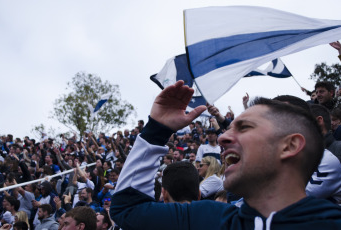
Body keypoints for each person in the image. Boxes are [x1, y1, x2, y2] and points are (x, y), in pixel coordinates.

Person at [110, 81, 341, 229]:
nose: (223, 138)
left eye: (245, 128)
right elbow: (127, 210)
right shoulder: (209, 219)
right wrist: (157, 130)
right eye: (229, 128)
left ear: (290, 145)